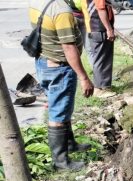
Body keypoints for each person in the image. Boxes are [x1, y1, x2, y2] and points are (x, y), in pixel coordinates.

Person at [29, 0, 94, 170]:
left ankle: (70, 144)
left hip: (44, 62)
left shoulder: (38, 2)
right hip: (60, 68)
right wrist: (84, 77)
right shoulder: (62, 11)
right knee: (58, 114)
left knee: (63, 107)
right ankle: (61, 162)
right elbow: (68, 47)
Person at [82, 0, 116, 98]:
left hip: (96, 28)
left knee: (104, 58)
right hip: (99, 28)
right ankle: (99, 89)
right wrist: (109, 29)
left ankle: (104, 86)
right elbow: (101, 10)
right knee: (101, 59)